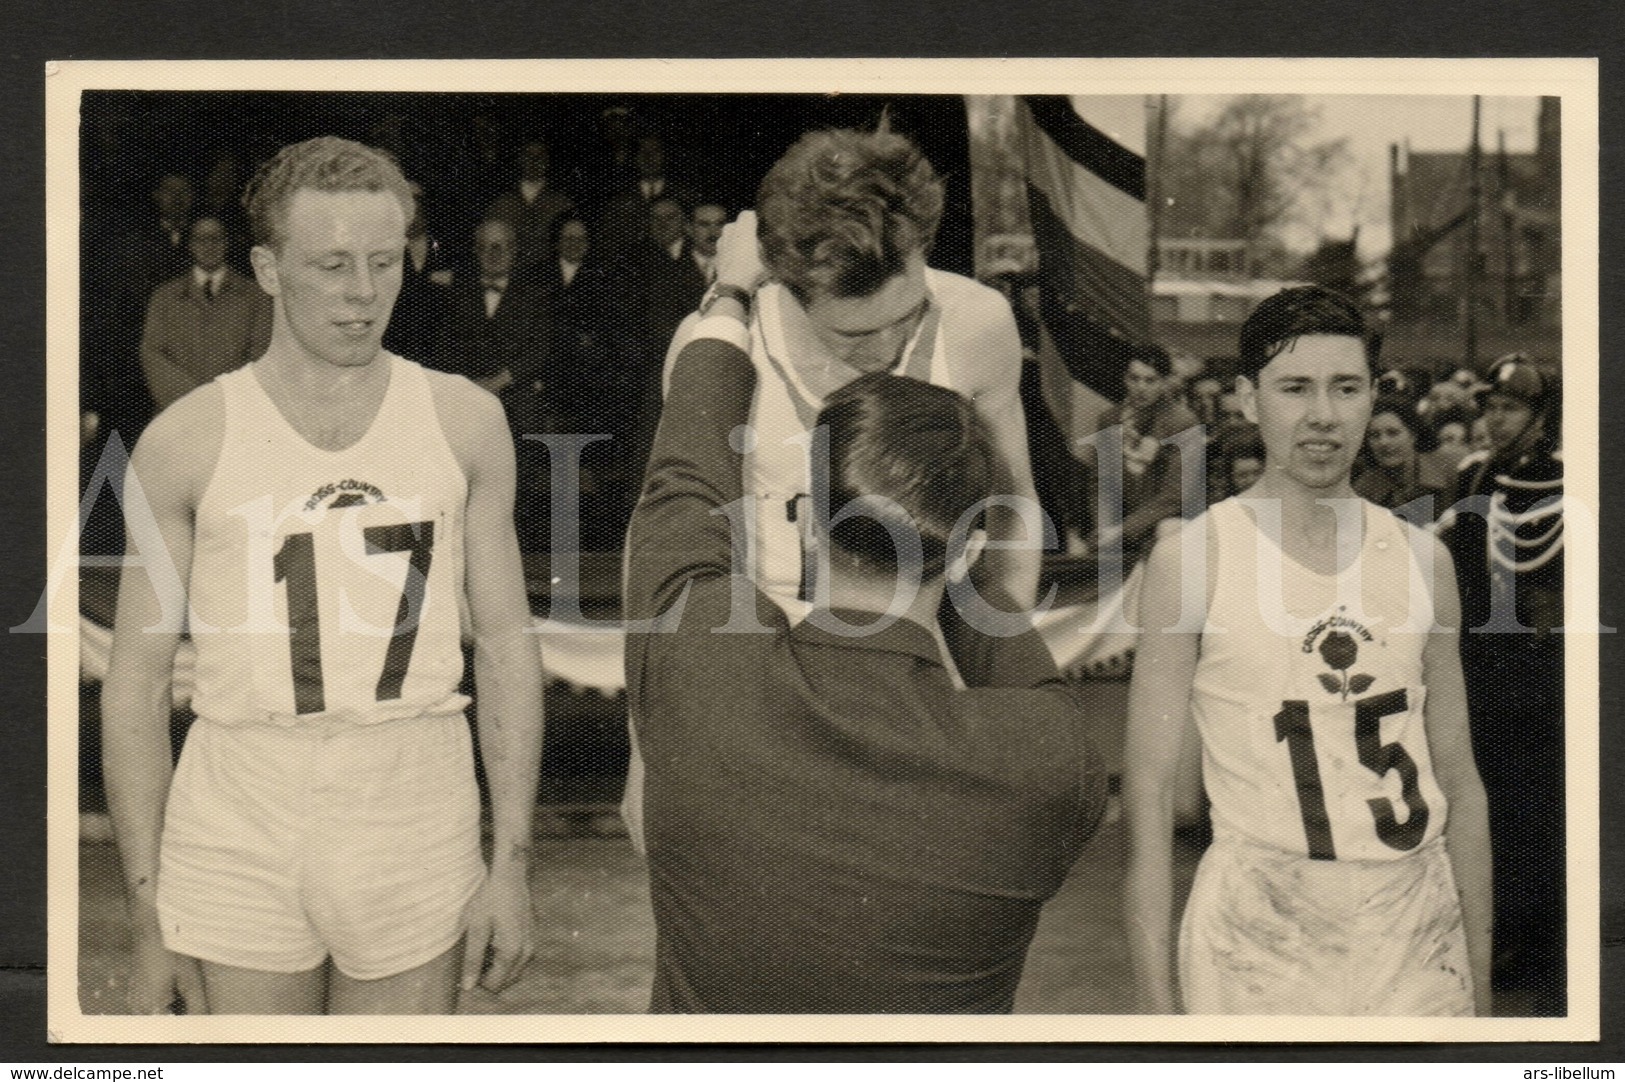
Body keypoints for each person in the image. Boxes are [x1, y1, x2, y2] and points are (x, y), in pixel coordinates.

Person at [102, 136, 544, 1015]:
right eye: (332, 264)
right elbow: (136, 686)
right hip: (240, 803)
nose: (363, 291)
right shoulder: (181, 442)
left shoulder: (464, 422)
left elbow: (502, 646)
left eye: (385, 262)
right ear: (266, 268)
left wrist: (512, 864)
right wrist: (149, 912)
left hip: (412, 800)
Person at [625, 213, 1106, 1012]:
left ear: (809, 520)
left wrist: (729, 295)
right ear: (962, 550)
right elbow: (998, 630)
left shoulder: (701, 682)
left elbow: (682, 485)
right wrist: (950, 526)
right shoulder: (1045, 762)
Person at [628, 124, 1045, 848]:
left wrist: (1001, 696)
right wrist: (645, 744)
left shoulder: (978, 325)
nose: (884, 349)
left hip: (918, 675)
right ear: (788, 284)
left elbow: (1011, 515)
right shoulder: (723, 350)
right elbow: (665, 539)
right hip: (758, 680)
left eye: (904, 317)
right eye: (852, 336)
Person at [1124, 285, 1491, 1016]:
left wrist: (1480, 993)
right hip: (1257, 937)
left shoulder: (1423, 561)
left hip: (1414, 930)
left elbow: (1461, 783)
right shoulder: (1192, 561)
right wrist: (1156, 1014)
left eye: (1345, 388)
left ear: (1371, 397)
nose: (1322, 415)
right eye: (1294, 388)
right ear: (1246, 399)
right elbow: (1150, 799)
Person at [1439, 354, 1565, 1015]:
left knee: (1530, 812)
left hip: (1533, 677)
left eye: (1510, 407)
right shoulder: (1474, 476)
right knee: (1485, 807)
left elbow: (1552, 590)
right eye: (1490, 405)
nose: (1495, 417)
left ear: (1538, 416)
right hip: (1479, 671)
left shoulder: (1561, 482)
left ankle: (1537, 942)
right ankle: (1501, 934)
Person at [139, 216, 273, 412]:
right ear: (190, 245)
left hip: (236, 410)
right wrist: (193, 400)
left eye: (216, 239)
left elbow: (261, 353)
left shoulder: (256, 296)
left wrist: (224, 397)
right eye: (201, 239)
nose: (209, 246)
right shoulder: (165, 297)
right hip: (178, 411)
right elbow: (152, 353)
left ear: (227, 243)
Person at [1084, 343, 1203, 560]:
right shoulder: (1110, 419)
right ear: (1124, 378)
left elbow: (1176, 495)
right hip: (1118, 530)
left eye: (1150, 380)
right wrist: (1105, 528)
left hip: (1168, 526)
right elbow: (1102, 482)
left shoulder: (1184, 423)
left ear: (1164, 382)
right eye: (1134, 378)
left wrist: (1123, 531)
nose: (1141, 387)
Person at [1352, 395, 1442, 525]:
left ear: (1412, 435)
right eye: (1374, 435)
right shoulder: (1363, 491)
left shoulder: (1445, 474)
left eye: (1393, 433)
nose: (1384, 442)